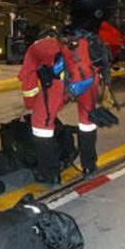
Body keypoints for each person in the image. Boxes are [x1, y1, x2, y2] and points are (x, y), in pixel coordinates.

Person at [18, 29, 101, 184]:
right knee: (87, 123)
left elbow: (28, 80)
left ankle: (50, 174)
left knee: (41, 126)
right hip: (89, 80)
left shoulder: (35, 47)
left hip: (60, 83)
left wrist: (31, 106)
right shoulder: (76, 41)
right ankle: (89, 166)